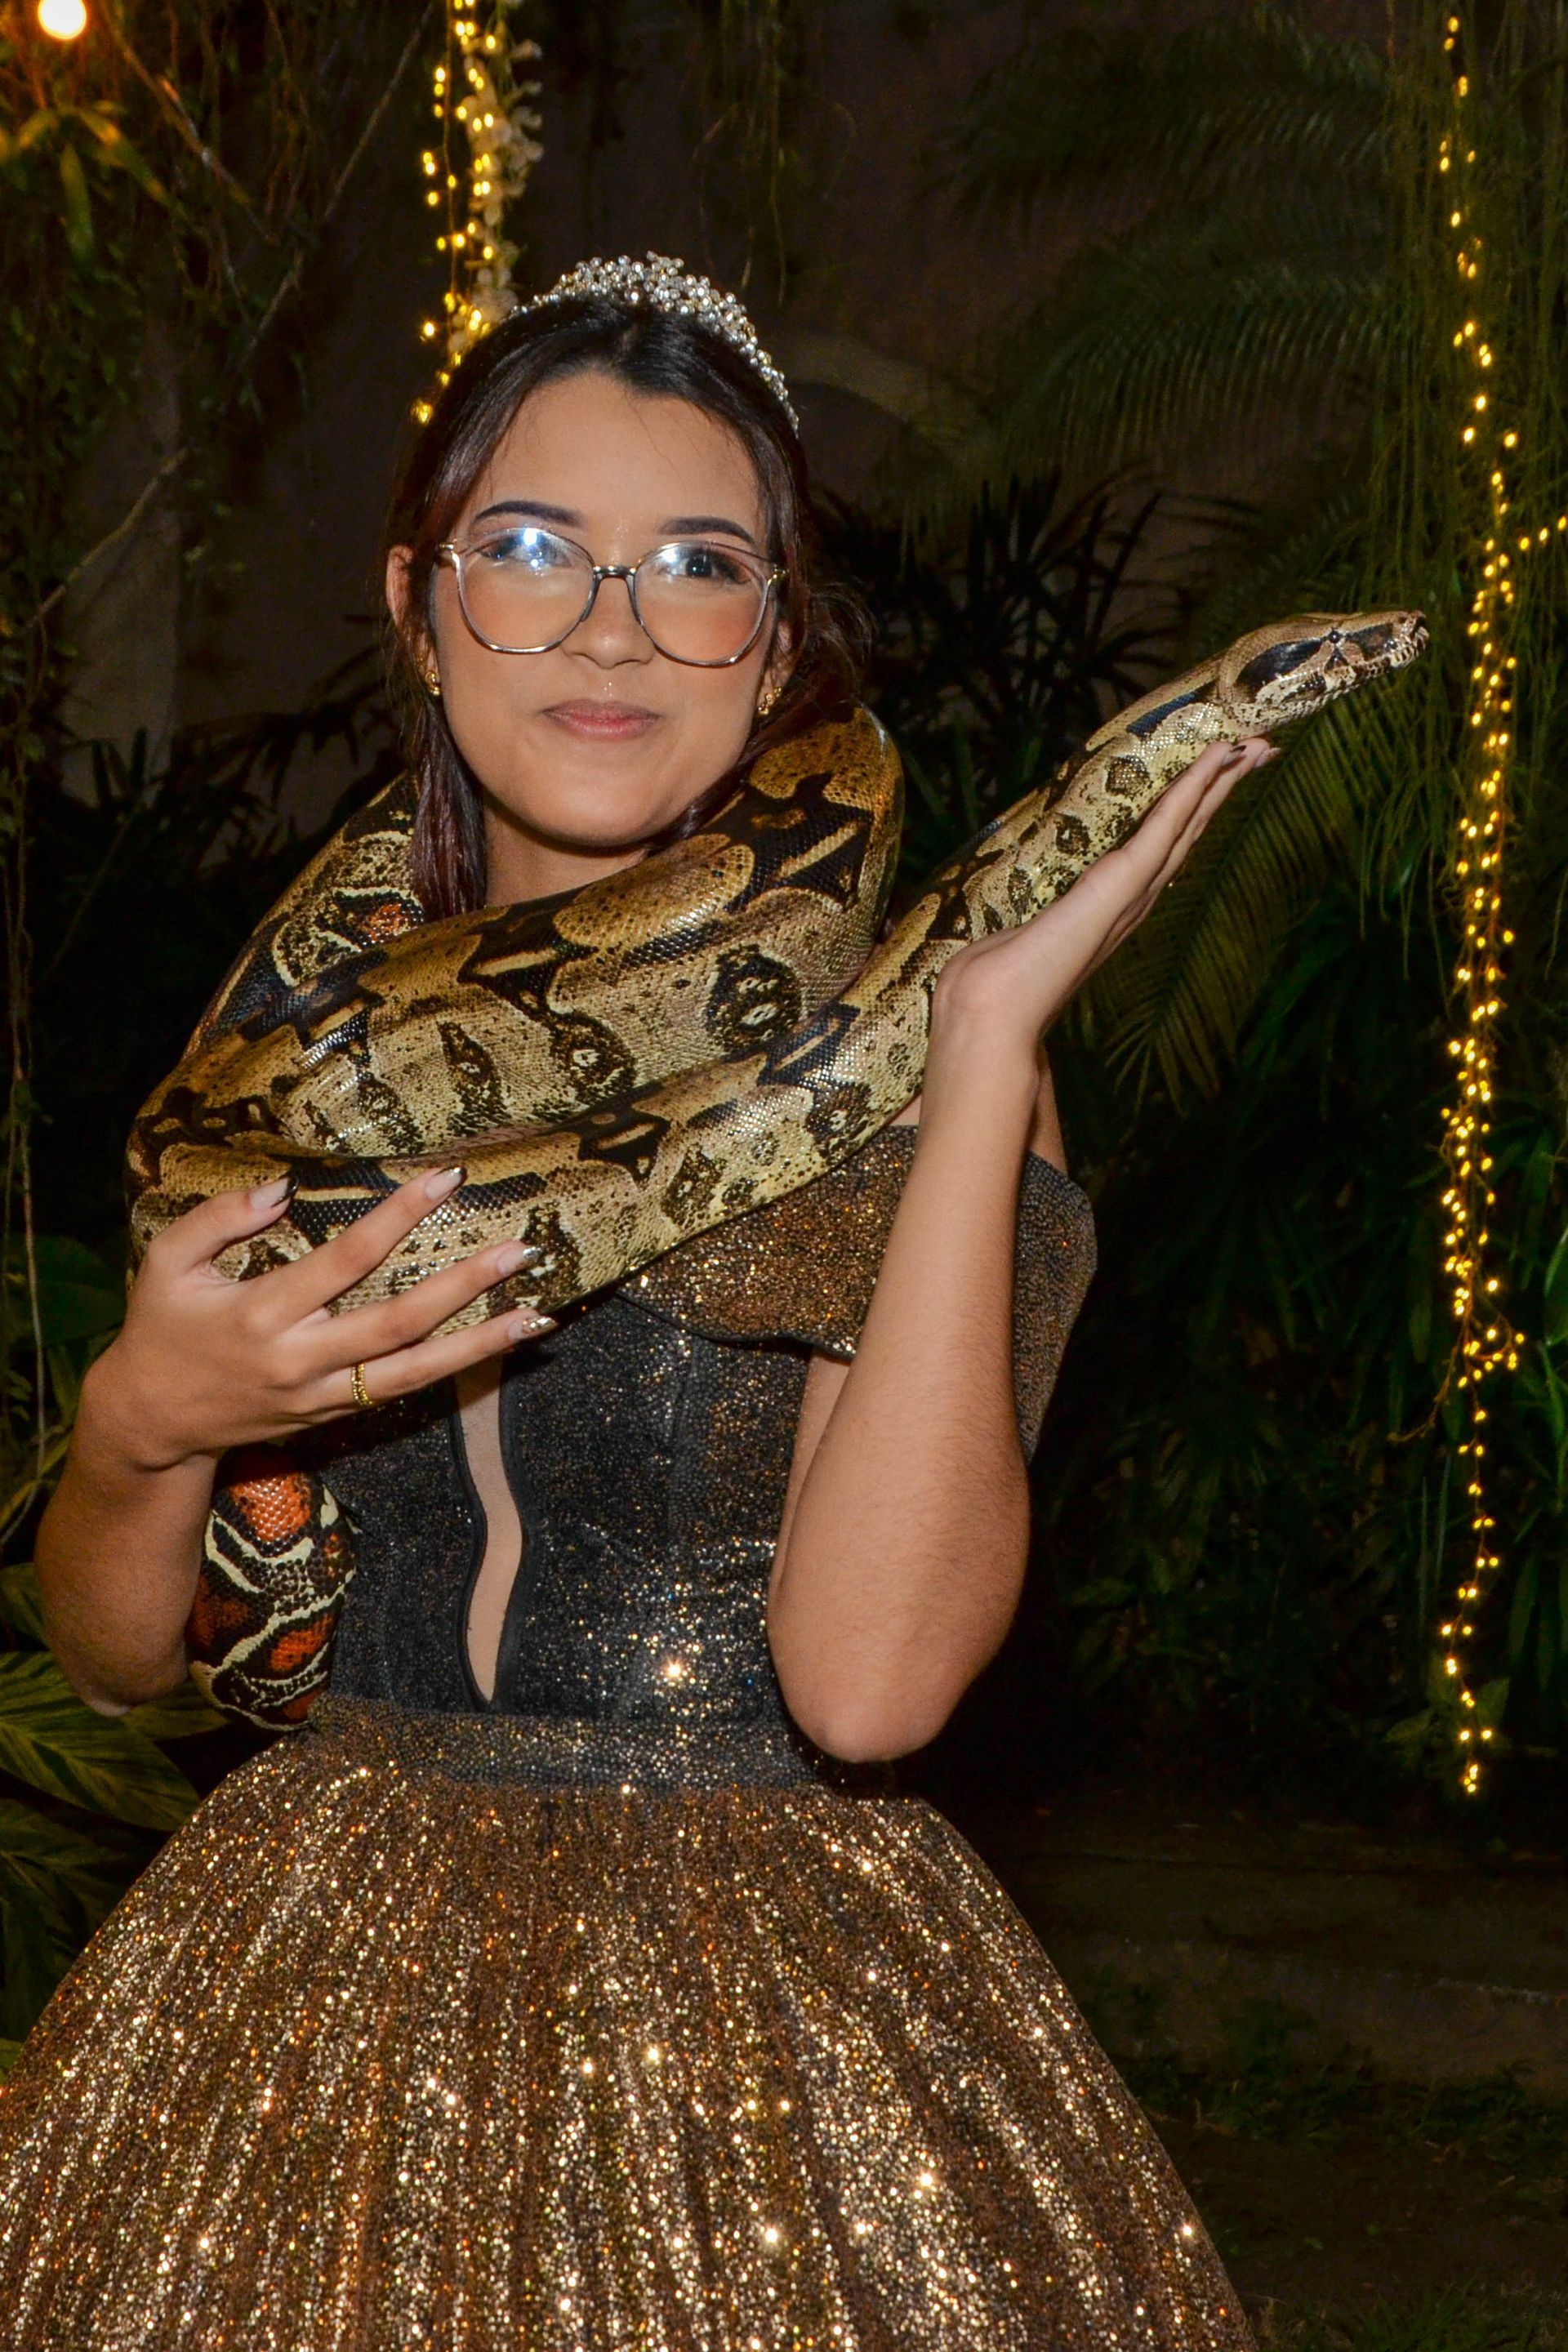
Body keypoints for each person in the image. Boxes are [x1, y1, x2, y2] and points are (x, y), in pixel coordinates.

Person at [0, 257, 1273, 2348]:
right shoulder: (273, 1091)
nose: (611, 625)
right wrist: (144, 1422)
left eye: (700, 565)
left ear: (776, 650)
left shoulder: (930, 1061)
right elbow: (126, 1656)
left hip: (768, 2013)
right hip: (303, 1976)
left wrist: (973, 1060)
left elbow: (868, 1691)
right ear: (418, 609)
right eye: (532, 551)